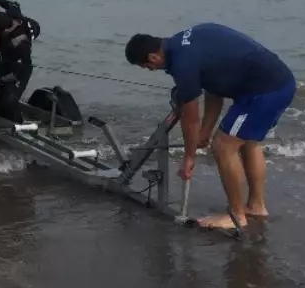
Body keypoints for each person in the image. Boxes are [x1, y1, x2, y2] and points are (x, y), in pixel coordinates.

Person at [125, 23, 296, 231]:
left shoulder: (182, 64)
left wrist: (189, 157)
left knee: (223, 146)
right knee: (248, 142)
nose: (150, 70)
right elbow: (214, 90)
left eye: (146, 67)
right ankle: (256, 206)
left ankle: (236, 216)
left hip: (264, 92)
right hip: (278, 82)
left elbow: (191, 117)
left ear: (152, 58)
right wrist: (205, 132)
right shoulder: (183, 43)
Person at [0, 0, 40, 121]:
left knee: (9, 100)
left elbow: (27, 68)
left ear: (3, 30)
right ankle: (1, 121)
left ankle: (17, 126)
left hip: (19, 65)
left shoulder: (20, 42)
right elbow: (12, 4)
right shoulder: (12, 14)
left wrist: (16, 91)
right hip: (6, 56)